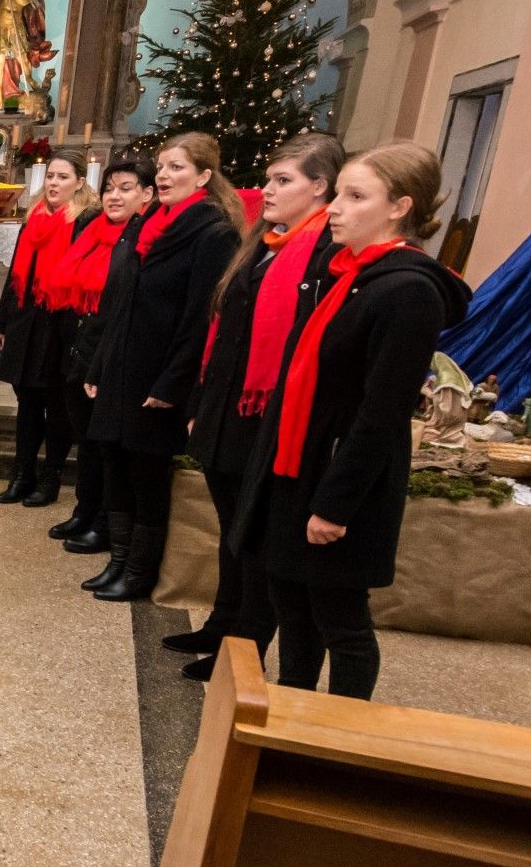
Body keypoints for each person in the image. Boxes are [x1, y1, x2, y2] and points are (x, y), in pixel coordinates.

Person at [234, 141, 468, 700]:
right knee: (292, 605)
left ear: (399, 207)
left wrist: (334, 505)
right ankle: (292, 715)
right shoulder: (348, 273)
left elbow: (381, 414)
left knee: (340, 618)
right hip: (300, 463)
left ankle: (342, 736)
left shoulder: (409, 291)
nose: (335, 208)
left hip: (341, 477)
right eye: (337, 194)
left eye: (355, 196)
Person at [174, 133, 343, 681]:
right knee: (231, 533)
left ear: (320, 187)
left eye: (283, 180)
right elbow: (225, 329)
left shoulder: (323, 253)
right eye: (270, 178)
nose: (267, 189)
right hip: (229, 408)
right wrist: (203, 401)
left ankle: (241, 654)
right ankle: (222, 624)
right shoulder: (265, 240)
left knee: (252, 541)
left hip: (266, 419)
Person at [84, 132, 244, 601]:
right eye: (163, 166)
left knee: (146, 475)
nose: (166, 175)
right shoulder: (150, 222)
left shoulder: (214, 232)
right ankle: (117, 561)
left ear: (204, 176)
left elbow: (199, 318)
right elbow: (121, 305)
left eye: (177, 167)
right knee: (115, 464)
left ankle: (137, 574)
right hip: (122, 365)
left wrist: (172, 383)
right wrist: (99, 365)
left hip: (157, 375)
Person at [53, 157, 154, 556]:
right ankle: (85, 509)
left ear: (146, 195)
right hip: (82, 344)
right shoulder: (91, 228)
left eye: (125, 188)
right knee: (85, 438)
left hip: (109, 351)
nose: (114, 195)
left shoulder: (142, 237)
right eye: (110, 187)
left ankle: (103, 523)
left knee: (102, 442)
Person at [0, 151, 100, 506]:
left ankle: (50, 477)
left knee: (56, 405)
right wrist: (2, 320)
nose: (53, 183)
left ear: (80, 182)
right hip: (28, 319)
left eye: (62, 177)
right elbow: (15, 275)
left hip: (62, 323)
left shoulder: (86, 221)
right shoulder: (33, 218)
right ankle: (21, 473)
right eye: (51, 176)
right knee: (26, 401)